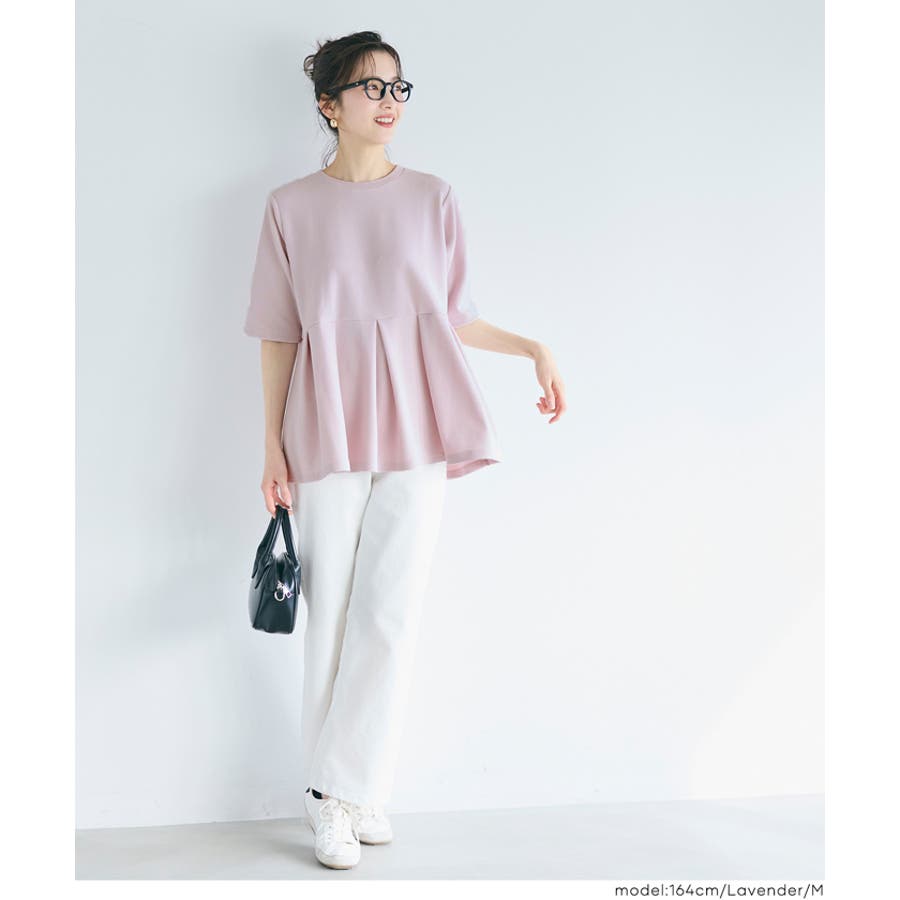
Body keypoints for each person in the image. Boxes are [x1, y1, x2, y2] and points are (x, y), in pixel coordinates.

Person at [244, 30, 567, 870]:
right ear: (329, 105)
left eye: (397, 87)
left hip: (418, 424)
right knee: (331, 619)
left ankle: (351, 787)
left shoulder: (433, 198)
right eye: (370, 87)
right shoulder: (289, 207)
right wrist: (271, 446)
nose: (389, 101)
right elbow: (279, 333)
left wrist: (533, 348)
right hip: (327, 425)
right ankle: (334, 799)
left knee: (390, 614)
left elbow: (453, 316)